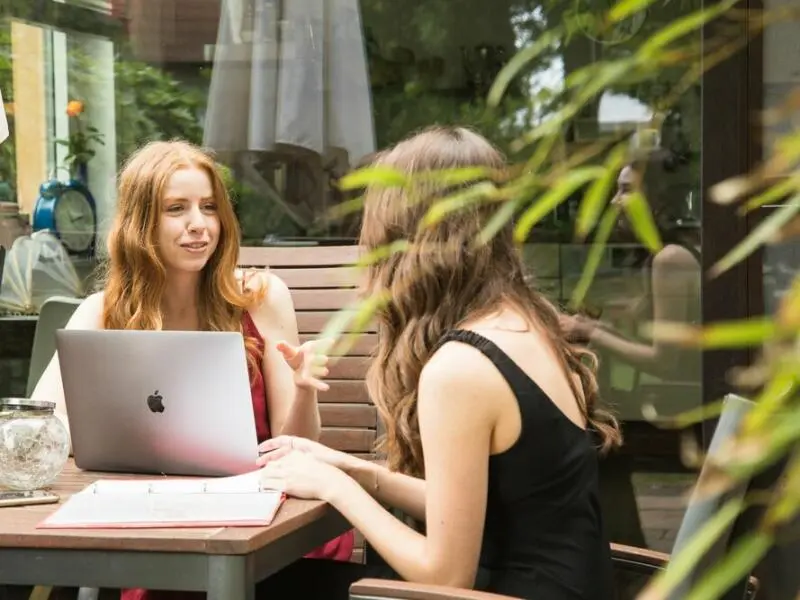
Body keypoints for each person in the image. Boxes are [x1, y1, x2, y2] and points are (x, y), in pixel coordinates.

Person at [255, 125, 622, 600]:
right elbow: (488, 507)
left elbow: (446, 575)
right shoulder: (525, 324)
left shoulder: (461, 367)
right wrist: (355, 471)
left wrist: (337, 488)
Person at [29, 140, 354, 599]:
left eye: (208, 207)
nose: (198, 225)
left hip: (261, 525)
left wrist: (303, 389)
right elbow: (41, 427)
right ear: (142, 224)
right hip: (151, 522)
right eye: (176, 209)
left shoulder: (261, 296)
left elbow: (296, 443)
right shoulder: (101, 313)